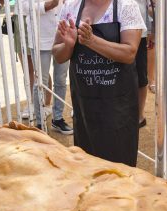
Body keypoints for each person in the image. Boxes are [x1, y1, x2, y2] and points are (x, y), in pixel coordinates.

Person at [53, 0, 146, 166]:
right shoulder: (71, 8)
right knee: (87, 165)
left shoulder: (126, 6)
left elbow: (129, 52)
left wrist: (91, 41)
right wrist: (68, 45)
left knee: (119, 167)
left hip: (118, 107)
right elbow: (58, 55)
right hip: (84, 106)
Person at [23, 0, 74, 134]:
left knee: (61, 80)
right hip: (40, 38)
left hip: (62, 35)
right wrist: (47, 5)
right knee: (40, 81)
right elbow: (23, 7)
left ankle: (57, 119)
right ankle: (40, 124)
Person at [135, 0, 153, 127]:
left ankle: (139, 116)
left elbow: (149, 5)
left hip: (140, 32)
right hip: (114, 30)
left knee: (141, 76)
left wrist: (151, 31)